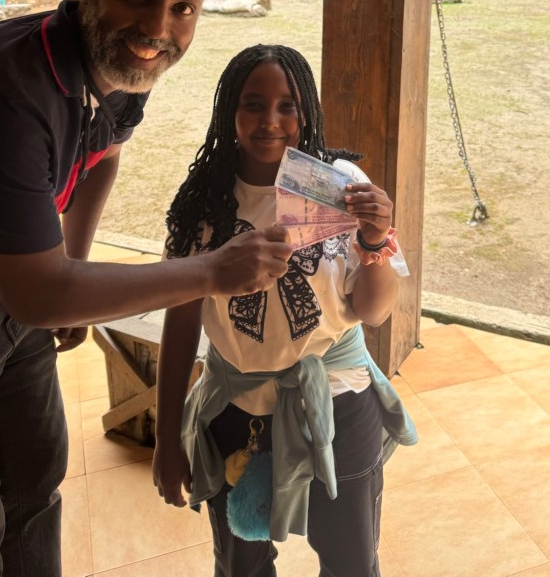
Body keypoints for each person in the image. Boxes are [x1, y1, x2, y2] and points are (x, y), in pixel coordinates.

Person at [0, 0, 292, 577]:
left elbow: (104, 155)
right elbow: (42, 295)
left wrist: (74, 258)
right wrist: (212, 271)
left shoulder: (119, 64)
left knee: (34, 482)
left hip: (2, 296)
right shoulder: (2, 97)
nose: (158, 28)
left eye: (184, 8)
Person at [152, 44, 417, 577]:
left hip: (336, 402)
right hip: (237, 406)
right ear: (228, 112)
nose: (270, 121)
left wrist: (375, 239)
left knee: (350, 562)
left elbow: (373, 312)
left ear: (308, 110)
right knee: (240, 562)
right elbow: (179, 326)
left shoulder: (340, 187)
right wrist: (166, 439)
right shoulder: (204, 202)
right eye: (252, 104)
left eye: (287, 106)